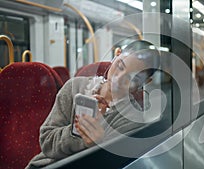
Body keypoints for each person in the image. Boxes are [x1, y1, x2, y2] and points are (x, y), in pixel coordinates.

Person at [25, 40, 160, 169]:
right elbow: (47, 143)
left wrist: (99, 144)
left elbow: (113, 163)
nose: (118, 79)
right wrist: (79, 134)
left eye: (133, 78)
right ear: (117, 54)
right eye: (120, 66)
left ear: (146, 81)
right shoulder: (74, 86)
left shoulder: (133, 121)